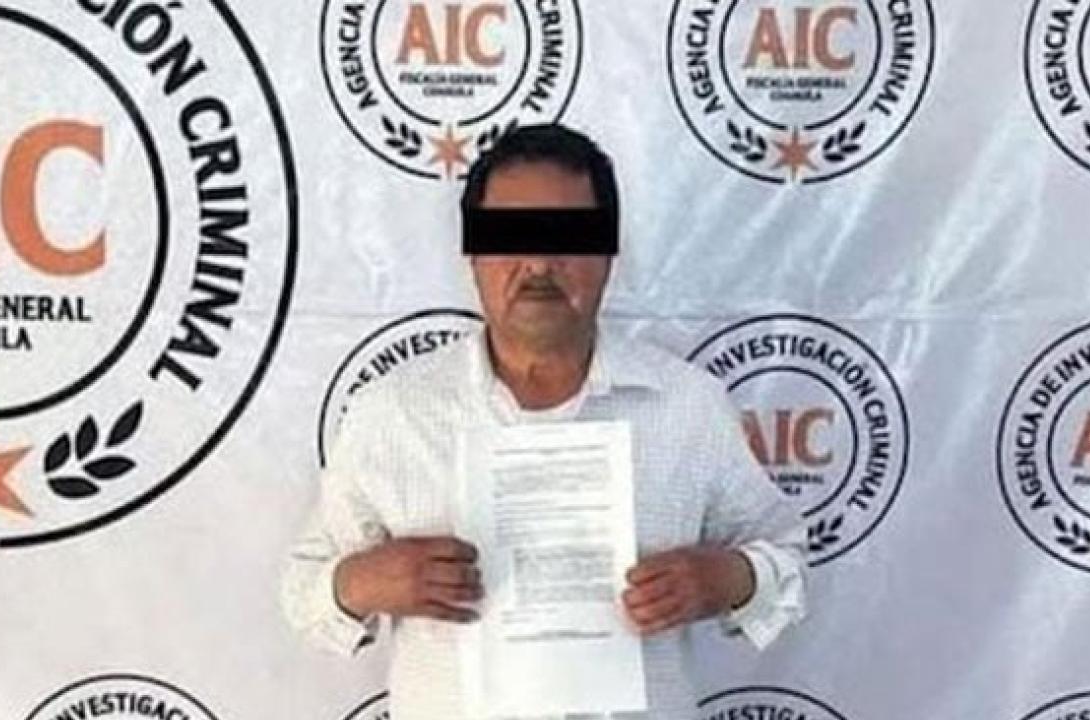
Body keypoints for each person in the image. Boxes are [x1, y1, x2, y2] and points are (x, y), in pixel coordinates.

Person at [282, 124, 805, 719]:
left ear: (607, 254)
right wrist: (361, 583)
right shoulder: (393, 412)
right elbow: (303, 593)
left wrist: (731, 578)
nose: (537, 263)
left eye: (566, 237)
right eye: (510, 237)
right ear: (474, 254)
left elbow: (786, 555)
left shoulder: (687, 405)